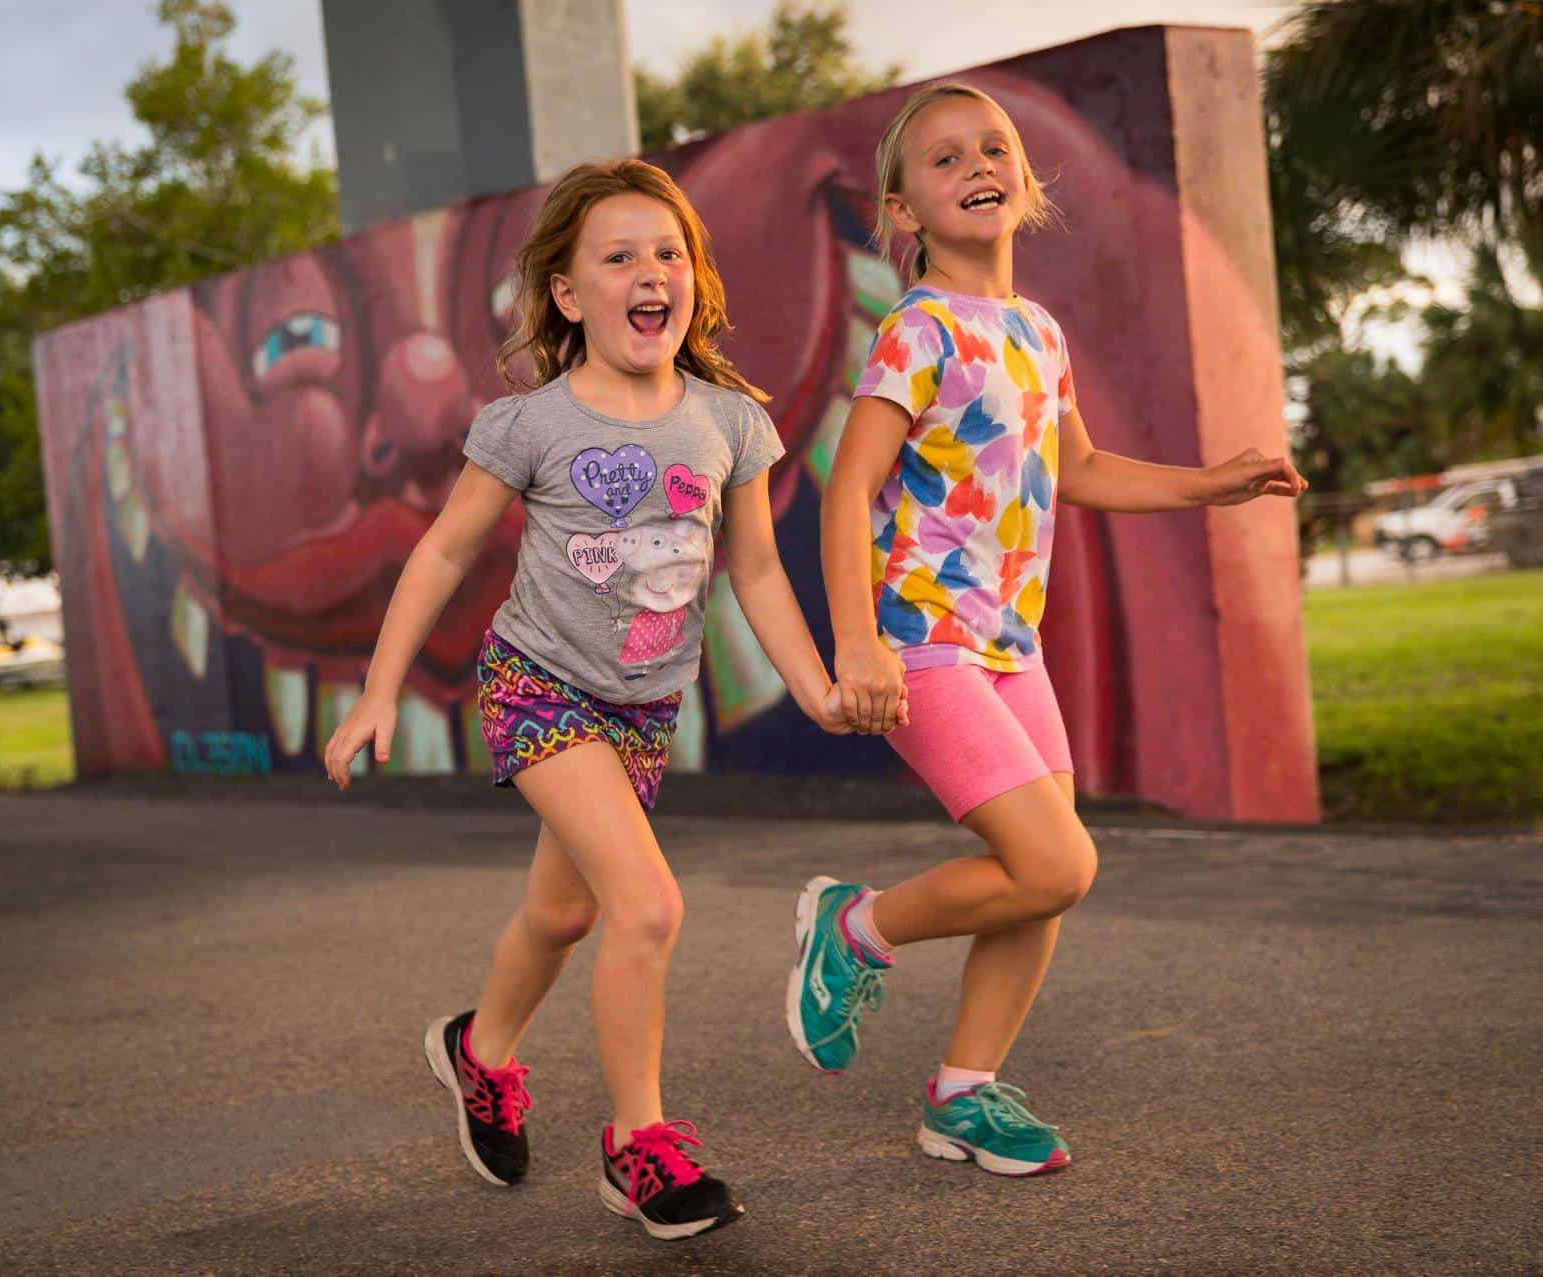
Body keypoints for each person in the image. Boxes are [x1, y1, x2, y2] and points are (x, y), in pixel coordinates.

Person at [325, 158, 857, 1240]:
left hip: (641, 713)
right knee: (647, 903)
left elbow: (754, 570)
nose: (647, 271)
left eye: (667, 252)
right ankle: (637, 1149)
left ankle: (481, 1054)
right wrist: (375, 693)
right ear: (569, 295)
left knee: (564, 910)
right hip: (537, 685)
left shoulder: (729, 421)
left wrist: (816, 686)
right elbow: (439, 554)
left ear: (691, 282)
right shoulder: (531, 423)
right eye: (617, 257)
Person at [787, 82, 1307, 1176]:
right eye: (943, 159)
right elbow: (847, 489)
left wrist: (1213, 483)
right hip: (923, 643)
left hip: (1008, 649)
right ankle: (852, 927)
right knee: (1058, 860)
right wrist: (856, 642)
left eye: (993, 147)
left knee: (1038, 875)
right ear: (904, 211)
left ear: (1025, 180)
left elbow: (1082, 467)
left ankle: (962, 1093)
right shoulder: (917, 328)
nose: (976, 162)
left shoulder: (1038, 331)